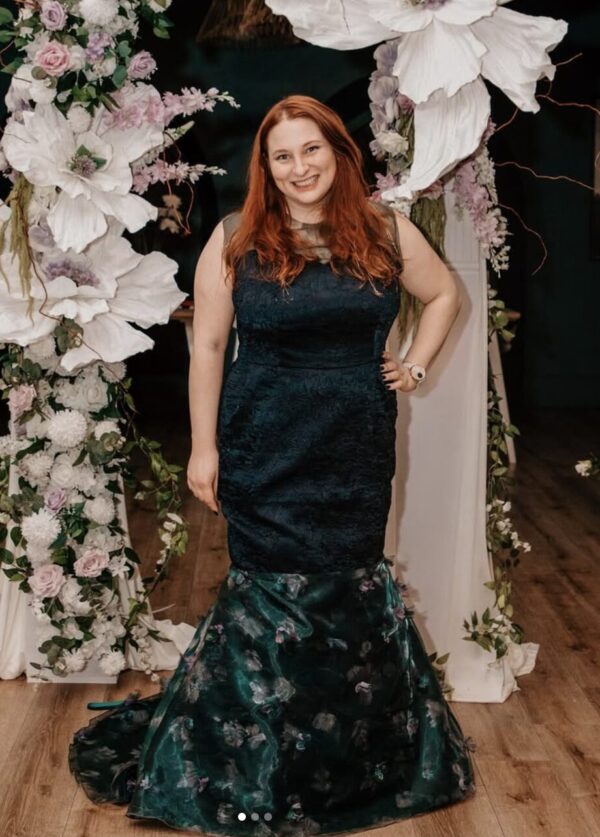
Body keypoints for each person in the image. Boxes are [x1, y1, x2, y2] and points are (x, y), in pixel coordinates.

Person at [69, 94, 476, 836]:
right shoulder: (234, 237)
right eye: (282, 156)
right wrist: (203, 446)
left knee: (350, 579)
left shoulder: (387, 228)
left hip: (355, 442)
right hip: (265, 441)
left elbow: (446, 294)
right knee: (267, 590)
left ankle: (353, 751)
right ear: (267, 166)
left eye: (311, 150)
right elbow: (209, 349)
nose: (299, 168)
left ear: (339, 153)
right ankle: (255, 759)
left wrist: (414, 366)